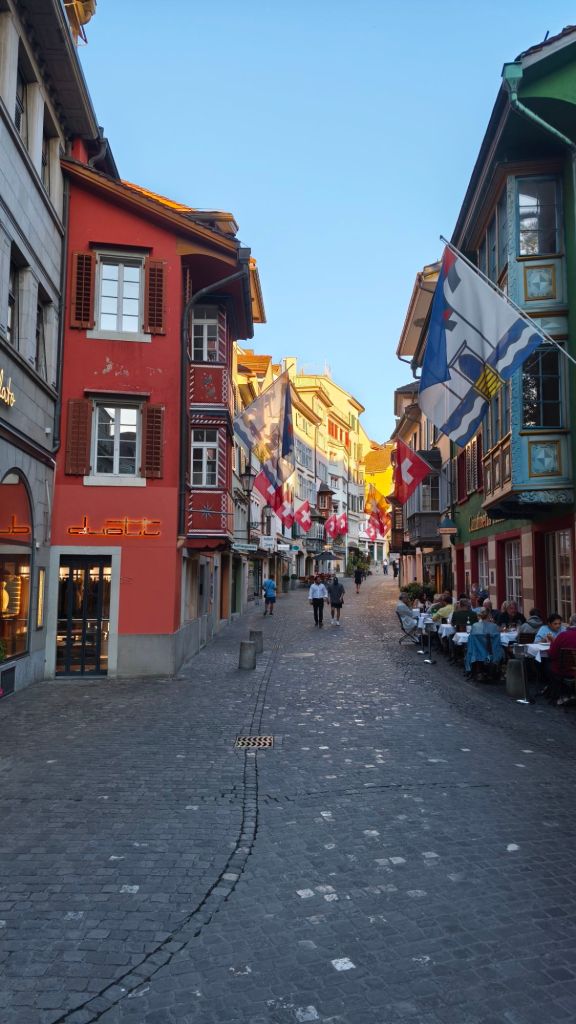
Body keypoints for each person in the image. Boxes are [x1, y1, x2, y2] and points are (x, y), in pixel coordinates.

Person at [545, 613, 576, 704]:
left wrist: (551, 643)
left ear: (570, 623)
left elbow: (551, 654)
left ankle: (556, 694)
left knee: (548, 666)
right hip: (572, 669)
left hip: (563, 669)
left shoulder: (563, 635)